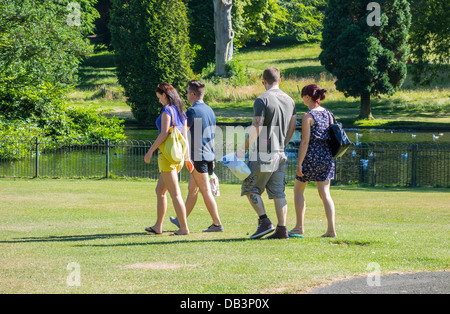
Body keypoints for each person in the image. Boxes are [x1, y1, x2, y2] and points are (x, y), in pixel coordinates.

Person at [238, 67, 297, 239]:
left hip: (263, 152)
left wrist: (243, 148)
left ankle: (264, 221)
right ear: (280, 80)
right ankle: (282, 229)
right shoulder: (290, 100)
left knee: (250, 186)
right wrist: (283, 143)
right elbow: (292, 126)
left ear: (263, 81)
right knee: (278, 192)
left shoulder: (261, 100)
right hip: (281, 153)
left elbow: (257, 127)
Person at [170, 80, 223, 232]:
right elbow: (212, 136)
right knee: (192, 189)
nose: (186, 95)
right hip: (207, 155)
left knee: (205, 191)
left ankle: (217, 224)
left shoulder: (192, 112)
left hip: (198, 156)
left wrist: (186, 157)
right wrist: (212, 158)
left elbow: (183, 134)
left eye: (187, 92)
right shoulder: (210, 111)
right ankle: (181, 221)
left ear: (192, 94)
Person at [144, 83, 193, 236]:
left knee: (175, 194)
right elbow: (185, 138)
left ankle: (184, 228)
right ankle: (158, 226)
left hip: (166, 156)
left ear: (164, 95)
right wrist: (187, 157)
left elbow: (164, 133)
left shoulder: (167, 110)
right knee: (160, 191)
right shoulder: (181, 112)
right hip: (177, 156)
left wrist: (150, 151)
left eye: (159, 97)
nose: (159, 101)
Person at [291, 84, 337, 238]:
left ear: (307, 97)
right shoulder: (329, 114)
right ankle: (331, 230)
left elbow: (305, 142)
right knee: (325, 194)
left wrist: (299, 164)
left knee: (298, 190)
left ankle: (299, 227)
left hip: (311, 156)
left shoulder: (307, 116)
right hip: (327, 156)